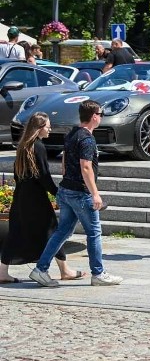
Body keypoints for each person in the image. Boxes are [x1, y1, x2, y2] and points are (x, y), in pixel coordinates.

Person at [29, 100, 122, 287]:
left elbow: (64, 159)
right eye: (101, 114)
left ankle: (40, 269)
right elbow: (86, 166)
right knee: (94, 232)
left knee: (62, 231)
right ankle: (98, 274)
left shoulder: (72, 133)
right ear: (94, 116)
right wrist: (95, 194)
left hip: (66, 190)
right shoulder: (87, 138)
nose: (101, 117)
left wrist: (66, 177)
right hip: (80, 193)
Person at [0, 113, 87, 284]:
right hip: (35, 199)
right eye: (47, 126)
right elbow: (44, 176)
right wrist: (57, 193)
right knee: (54, 230)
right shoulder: (38, 146)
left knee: (16, 232)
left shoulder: (23, 145)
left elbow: (18, 175)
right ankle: (65, 270)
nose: (50, 129)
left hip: (21, 196)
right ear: (39, 128)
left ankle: (2, 272)